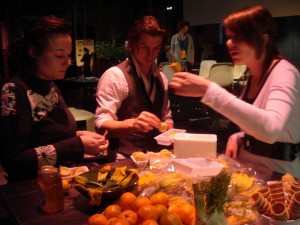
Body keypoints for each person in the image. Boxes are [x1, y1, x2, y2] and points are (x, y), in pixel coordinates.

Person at [169, 5, 300, 178]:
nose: (229, 43)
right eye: (229, 37)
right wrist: (240, 136)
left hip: (280, 181)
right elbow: (256, 122)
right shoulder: (253, 75)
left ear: (263, 39)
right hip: (251, 174)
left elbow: (271, 129)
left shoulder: (285, 73)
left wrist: (208, 90)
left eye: (239, 37)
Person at [0, 16, 108, 182]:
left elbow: (48, 136)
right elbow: (13, 161)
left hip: (63, 180)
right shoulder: (13, 91)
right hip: (33, 190)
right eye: (59, 56)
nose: (67, 62)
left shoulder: (50, 85)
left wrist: (77, 135)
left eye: (68, 55)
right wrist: (77, 145)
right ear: (33, 52)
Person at [94, 16, 173, 159]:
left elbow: (167, 118)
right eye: (145, 48)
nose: (151, 54)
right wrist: (132, 125)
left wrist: (167, 127)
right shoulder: (115, 76)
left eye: (156, 48)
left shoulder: (162, 78)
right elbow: (101, 125)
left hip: (157, 159)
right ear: (132, 45)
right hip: (122, 157)